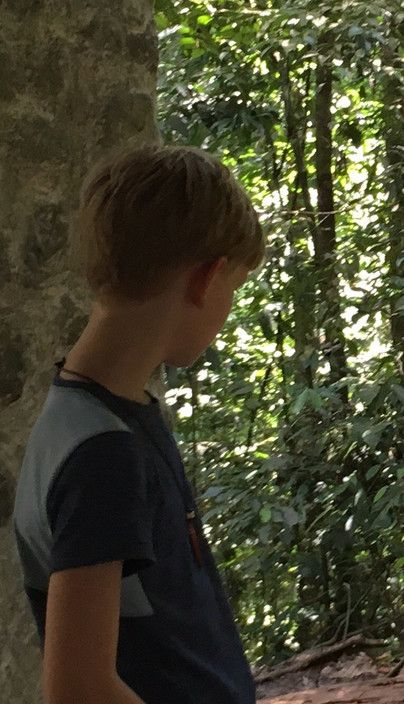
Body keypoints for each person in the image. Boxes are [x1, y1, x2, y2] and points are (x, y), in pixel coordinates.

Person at [13, 146, 266, 704]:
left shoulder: (94, 419)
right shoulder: (103, 453)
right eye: (234, 290)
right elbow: (78, 689)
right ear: (206, 280)